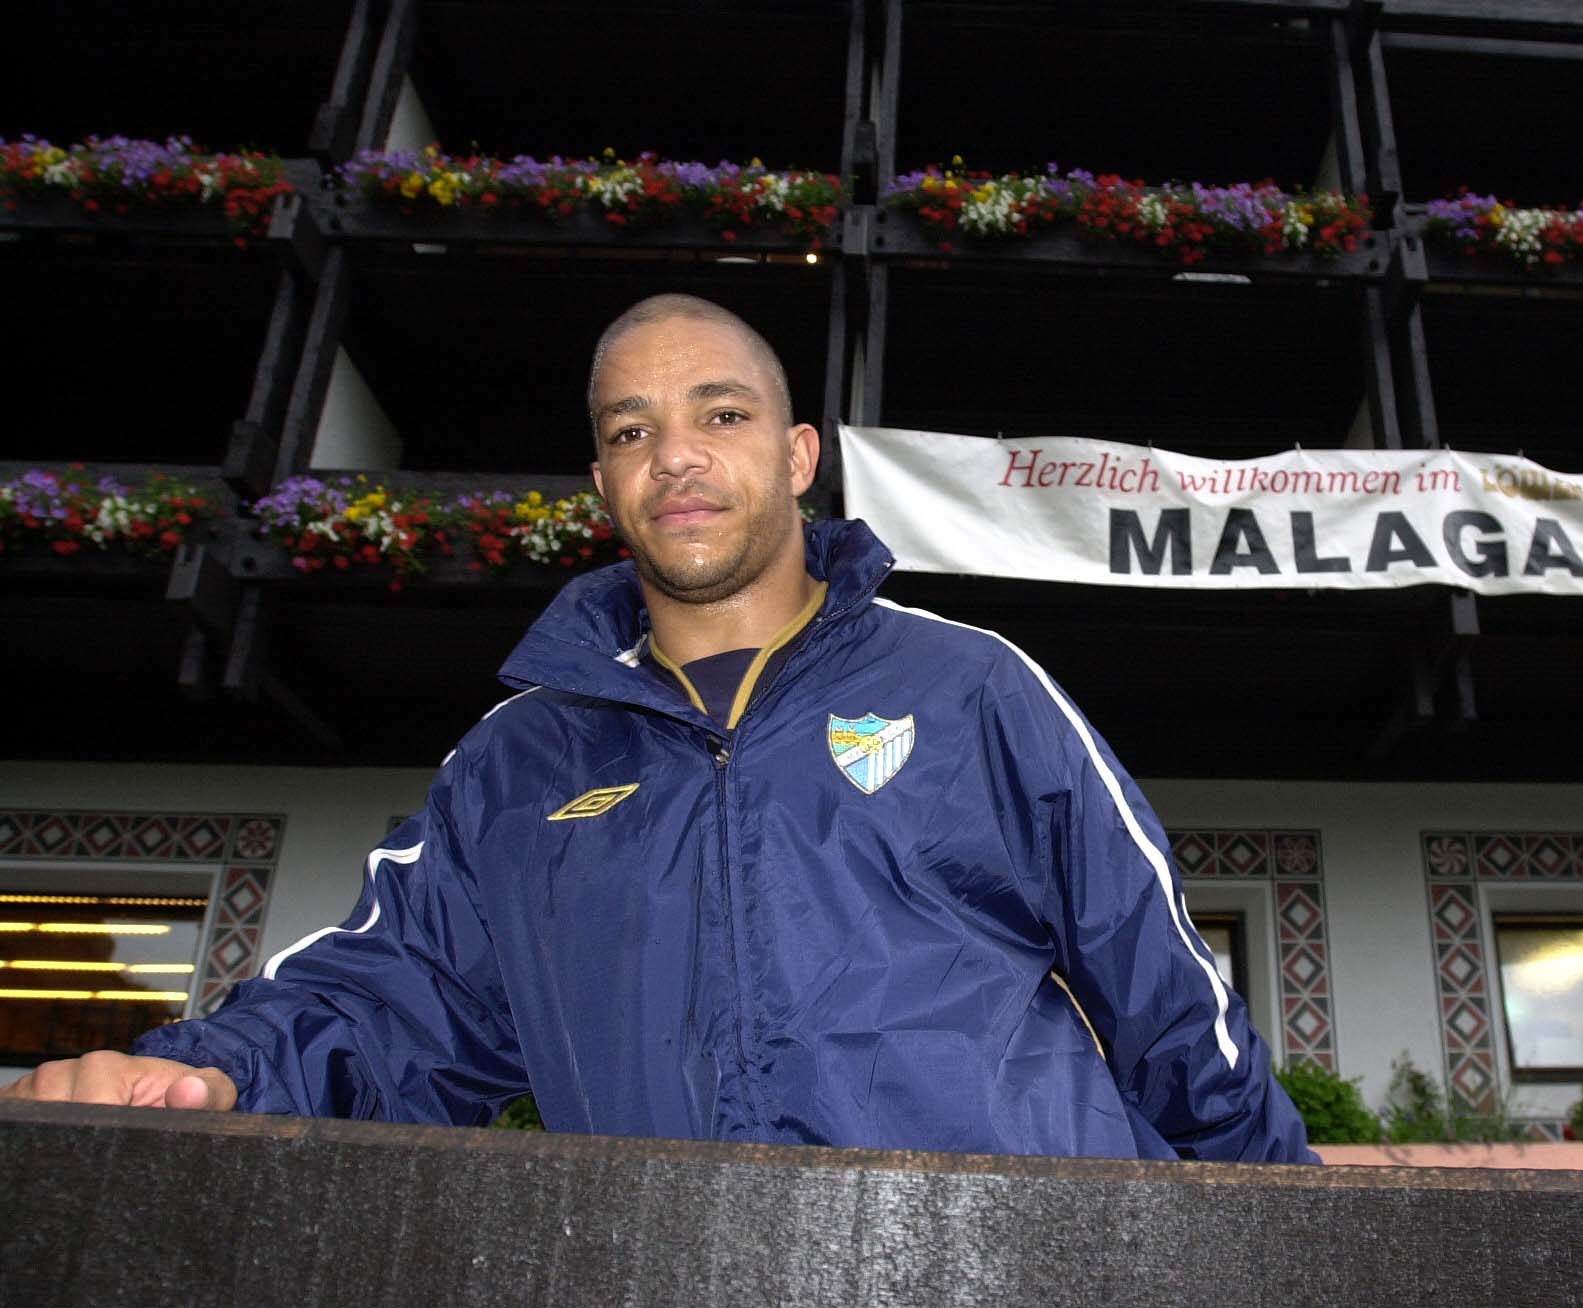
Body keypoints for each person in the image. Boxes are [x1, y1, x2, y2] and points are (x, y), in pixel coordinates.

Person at [2, 295, 1317, 1163]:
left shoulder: (972, 687)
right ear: (602, 484)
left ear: (797, 455)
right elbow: (390, 991)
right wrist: (203, 1070)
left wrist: (1283, 1235)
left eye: (719, 416)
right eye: (633, 430)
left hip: (1017, 1271)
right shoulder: (518, 761)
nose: (676, 454)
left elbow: (1166, 999)